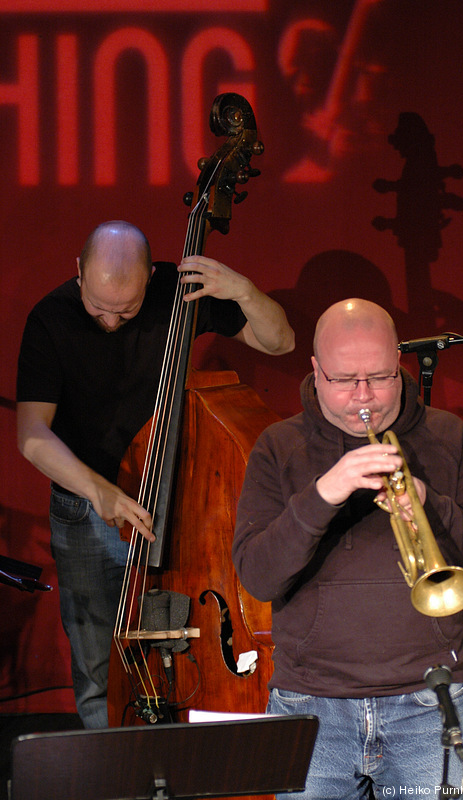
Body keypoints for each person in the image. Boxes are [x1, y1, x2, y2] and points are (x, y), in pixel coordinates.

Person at [16, 220, 295, 729]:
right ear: (78, 272)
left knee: (184, 651)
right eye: (98, 306)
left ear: (150, 278)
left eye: (126, 309)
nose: (109, 320)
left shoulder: (177, 292)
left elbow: (280, 342)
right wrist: (99, 490)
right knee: (99, 661)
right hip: (86, 508)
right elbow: (32, 434)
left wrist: (247, 294)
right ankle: (112, 769)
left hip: (170, 504)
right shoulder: (50, 320)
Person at [232, 298, 463, 799]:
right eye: (344, 380)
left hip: (430, 702)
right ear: (315, 371)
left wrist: (432, 504)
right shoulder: (278, 447)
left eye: (380, 377)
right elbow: (258, 577)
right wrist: (323, 495)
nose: (365, 396)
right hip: (311, 705)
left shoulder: (448, 436)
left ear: (399, 364)